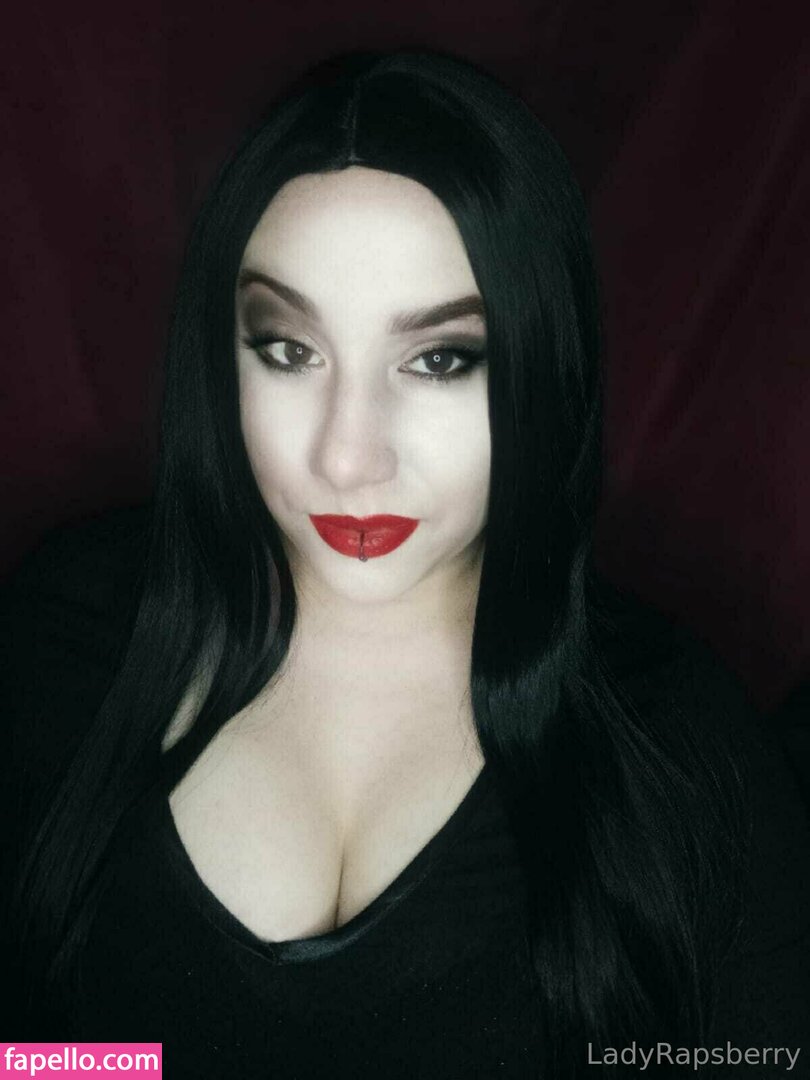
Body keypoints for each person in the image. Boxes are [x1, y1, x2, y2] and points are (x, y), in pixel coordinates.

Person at [2, 48, 809, 1079]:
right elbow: (26, 1058)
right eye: (289, 350)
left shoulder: (683, 760)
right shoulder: (62, 642)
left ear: (543, 366)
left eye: (438, 359)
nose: (349, 457)